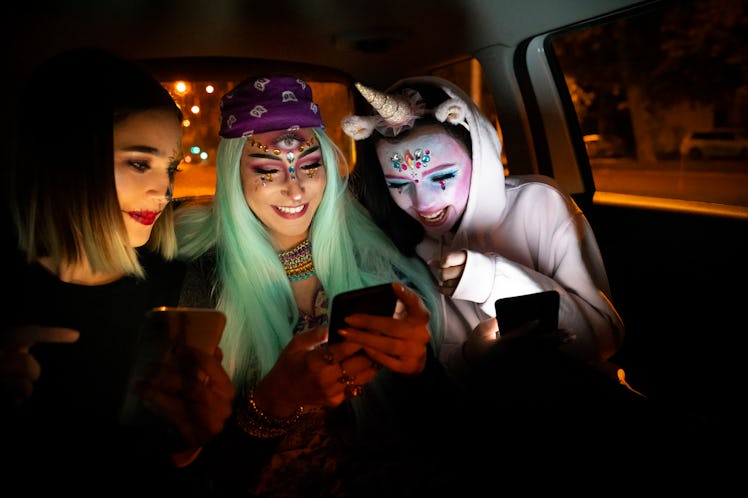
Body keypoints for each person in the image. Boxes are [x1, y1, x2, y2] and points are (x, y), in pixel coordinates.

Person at [174, 75, 465, 496]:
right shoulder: (204, 283)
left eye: (310, 165)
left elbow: (439, 437)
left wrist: (417, 367)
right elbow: (197, 477)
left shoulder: (376, 259)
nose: (295, 188)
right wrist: (272, 403)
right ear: (234, 176)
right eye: (268, 171)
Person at [1, 48, 235, 496]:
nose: (164, 190)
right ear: (67, 159)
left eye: (170, 169)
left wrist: (189, 446)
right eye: (139, 162)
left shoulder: (180, 288)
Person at [343, 76, 625, 381]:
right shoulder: (395, 242)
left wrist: (489, 280)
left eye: (442, 177)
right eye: (399, 184)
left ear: (479, 157)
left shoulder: (538, 203)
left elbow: (600, 342)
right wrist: (471, 357)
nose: (423, 204)